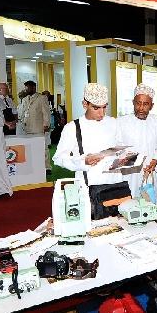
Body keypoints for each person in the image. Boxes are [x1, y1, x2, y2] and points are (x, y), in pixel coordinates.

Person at [53, 83, 130, 219]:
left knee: (119, 224)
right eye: (96, 108)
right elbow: (58, 158)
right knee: (92, 225)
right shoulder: (72, 128)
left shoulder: (113, 122)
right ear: (85, 104)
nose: (102, 113)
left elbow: (120, 146)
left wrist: (124, 157)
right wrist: (83, 161)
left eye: (104, 107)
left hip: (115, 185)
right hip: (89, 187)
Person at [116, 84, 157, 202]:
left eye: (145, 104)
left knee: (150, 206)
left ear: (151, 105)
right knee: (128, 206)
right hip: (129, 175)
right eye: (138, 103)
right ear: (133, 102)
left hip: (150, 173)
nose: (141, 108)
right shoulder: (121, 123)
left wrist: (156, 159)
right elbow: (117, 147)